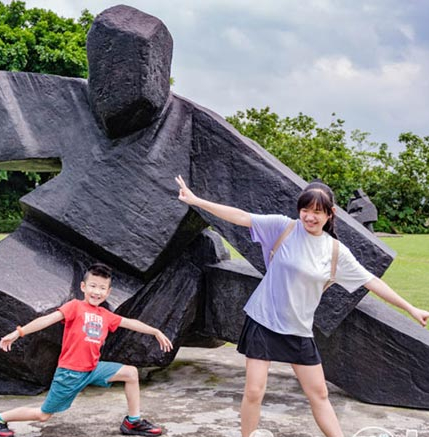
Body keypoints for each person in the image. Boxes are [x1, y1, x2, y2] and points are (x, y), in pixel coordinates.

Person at [175, 175, 429, 437]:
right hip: (264, 320)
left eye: (317, 211)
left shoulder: (335, 252)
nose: (309, 216)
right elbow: (241, 217)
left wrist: (411, 308)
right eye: (305, 209)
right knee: (253, 391)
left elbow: (371, 282)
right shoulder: (283, 227)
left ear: (330, 214)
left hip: (298, 330)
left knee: (319, 394)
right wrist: (196, 201)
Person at [0, 263, 173, 437]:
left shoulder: (105, 315)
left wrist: (155, 331)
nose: (96, 291)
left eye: (102, 288)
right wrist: (19, 332)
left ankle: (133, 422)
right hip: (70, 373)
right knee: (43, 415)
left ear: (108, 292)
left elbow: (129, 322)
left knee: (131, 373)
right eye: (93, 286)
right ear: (83, 287)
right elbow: (47, 319)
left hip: (92, 369)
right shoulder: (75, 307)